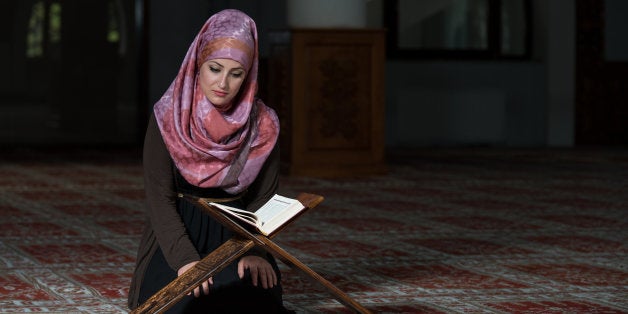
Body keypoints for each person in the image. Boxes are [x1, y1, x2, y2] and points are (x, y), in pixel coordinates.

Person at [128, 9, 292, 313]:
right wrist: (185, 261)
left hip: (238, 236)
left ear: (249, 75)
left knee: (253, 304)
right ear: (197, 64)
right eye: (215, 69)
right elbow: (159, 199)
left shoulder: (264, 124)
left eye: (236, 73)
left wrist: (254, 250)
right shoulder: (168, 117)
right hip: (176, 236)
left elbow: (263, 198)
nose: (223, 83)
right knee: (185, 307)